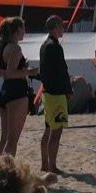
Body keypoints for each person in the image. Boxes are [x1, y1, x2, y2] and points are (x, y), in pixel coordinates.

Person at [0, 17, 38, 157]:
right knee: (13, 140)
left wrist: (21, 70)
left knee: (4, 139)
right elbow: (11, 73)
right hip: (16, 92)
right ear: (18, 30)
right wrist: (29, 71)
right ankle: (7, 168)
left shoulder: (1, 48)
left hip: (4, 91)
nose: (25, 32)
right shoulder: (15, 48)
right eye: (23, 28)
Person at [39, 15, 72, 175]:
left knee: (48, 129)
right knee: (56, 132)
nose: (63, 29)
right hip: (56, 94)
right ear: (54, 28)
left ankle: (45, 164)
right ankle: (52, 166)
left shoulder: (44, 45)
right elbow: (62, 71)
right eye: (60, 26)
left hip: (47, 93)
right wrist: (68, 90)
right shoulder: (54, 47)